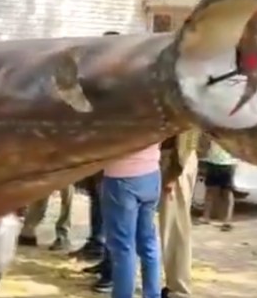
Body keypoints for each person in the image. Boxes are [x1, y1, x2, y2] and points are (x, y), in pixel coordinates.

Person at [71, 30, 121, 262]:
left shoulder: (119, 77)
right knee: (95, 198)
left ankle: (103, 252)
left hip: (110, 151)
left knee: (107, 202)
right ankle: (95, 244)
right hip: (93, 147)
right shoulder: (97, 75)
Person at [101, 142, 163, 298]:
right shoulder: (155, 116)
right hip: (151, 173)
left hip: (121, 177)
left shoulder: (118, 116)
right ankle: (153, 294)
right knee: (148, 242)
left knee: (123, 247)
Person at [158, 129, 200, 298]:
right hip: (175, 160)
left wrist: (173, 174)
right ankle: (175, 285)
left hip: (175, 161)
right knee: (173, 227)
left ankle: (179, 290)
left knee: (175, 228)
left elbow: (185, 136)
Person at [198, 137, 236, 232]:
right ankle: (206, 216)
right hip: (212, 161)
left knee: (227, 191)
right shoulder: (213, 128)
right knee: (211, 190)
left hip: (228, 162)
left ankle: (227, 220)